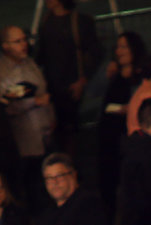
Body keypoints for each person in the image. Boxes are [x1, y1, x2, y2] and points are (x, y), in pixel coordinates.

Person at [33, 0, 99, 151]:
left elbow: (95, 52)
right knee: (56, 129)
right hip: (51, 87)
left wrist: (82, 81)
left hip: (69, 86)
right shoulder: (47, 22)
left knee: (68, 131)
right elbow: (41, 55)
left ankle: (67, 163)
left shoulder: (80, 22)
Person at [97, 31, 144, 212]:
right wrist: (106, 75)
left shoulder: (141, 74)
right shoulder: (110, 70)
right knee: (107, 180)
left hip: (130, 135)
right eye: (118, 46)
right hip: (108, 135)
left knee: (129, 182)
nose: (120, 51)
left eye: (124, 46)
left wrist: (130, 108)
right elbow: (92, 91)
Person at [0, 27, 54, 185]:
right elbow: (4, 108)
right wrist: (34, 102)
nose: (24, 44)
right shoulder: (1, 72)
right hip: (23, 143)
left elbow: (44, 91)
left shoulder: (30, 62)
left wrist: (51, 116)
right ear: (5, 46)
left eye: (24, 39)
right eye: (18, 41)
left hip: (46, 133)